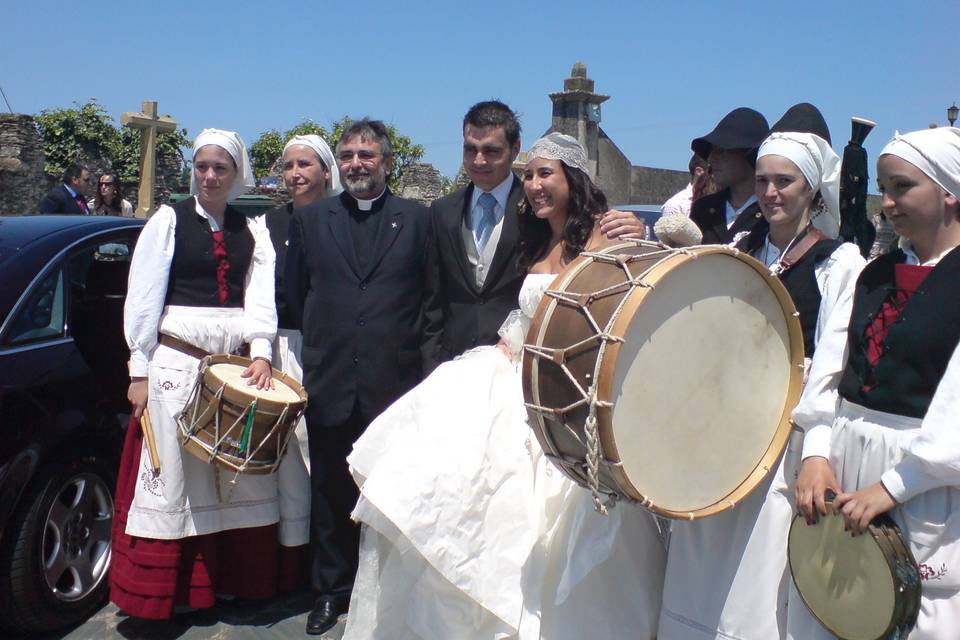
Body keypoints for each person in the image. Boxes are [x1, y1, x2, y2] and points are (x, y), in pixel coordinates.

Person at [342, 133, 667, 640]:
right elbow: (528, 312)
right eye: (530, 174)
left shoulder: (608, 235)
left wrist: (645, 232)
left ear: (573, 179)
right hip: (515, 371)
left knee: (556, 525)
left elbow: (637, 300)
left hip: (569, 397)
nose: (534, 185)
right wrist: (505, 347)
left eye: (546, 174)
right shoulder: (536, 238)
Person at [659, 104, 865, 640]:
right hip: (719, 435)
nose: (771, 192)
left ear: (812, 189)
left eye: (785, 182)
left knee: (759, 580)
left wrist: (815, 446)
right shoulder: (737, 248)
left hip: (782, 439)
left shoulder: (840, 263)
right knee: (698, 573)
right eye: (763, 181)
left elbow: (832, 361)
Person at [110, 129, 289, 619]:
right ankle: (172, 594)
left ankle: (231, 583)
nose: (209, 176)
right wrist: (139, 368)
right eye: (202, 166)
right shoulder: (167, 222)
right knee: (176, 477)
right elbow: (143, 298)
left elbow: (260, 297)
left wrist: (259, 351)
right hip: (175, 362)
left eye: (221, 168)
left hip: (232, 365)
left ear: (236, 174)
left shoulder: (253, 230)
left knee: (232, 475)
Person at [792, 126, 960, 639]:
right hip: (844, 464)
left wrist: (894, 486)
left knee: (915, 614)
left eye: (902, 187)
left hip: (923, 480)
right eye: (883, 188)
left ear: (950, 190)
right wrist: (816, 452)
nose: (886, 203)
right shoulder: (872, 274)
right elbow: (829, 372)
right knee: (836, 604)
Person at [284, 119, 440, 635]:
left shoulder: (419, 222)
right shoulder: (311, 221)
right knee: (329, 493)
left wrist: (425, 378)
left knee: (391, 495)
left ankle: (391, 590)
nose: (356, 163)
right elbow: (295, 297)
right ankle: (330, 592)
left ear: (387, 163)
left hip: (394, 385)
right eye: (347, 154)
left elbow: (429, 303)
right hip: (330, 379)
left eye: (366, 155)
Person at [426, 100, 647, 371]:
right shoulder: (445, 211)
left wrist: (640, 232)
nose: (478, 160)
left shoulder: (541, 215)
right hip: (477, 360)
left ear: (514, 148)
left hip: (571, 367)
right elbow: (432, 299)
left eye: (491, 151)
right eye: (470, 149)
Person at [262, 134, 344, 591]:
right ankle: (280, 566)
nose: (295, 174)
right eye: (289, 165)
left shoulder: (340, 220)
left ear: (324, 171)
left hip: (325, 349)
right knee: (279, 461)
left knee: (317, 459)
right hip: (278, 348)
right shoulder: (268, 224)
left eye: (305, 165)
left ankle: (321, 564)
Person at [689, 107, 770, 244]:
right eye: (711, 152)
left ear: (748, 153)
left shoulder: (771, 211)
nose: (711, 159)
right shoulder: (703, 208)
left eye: (721, 151)